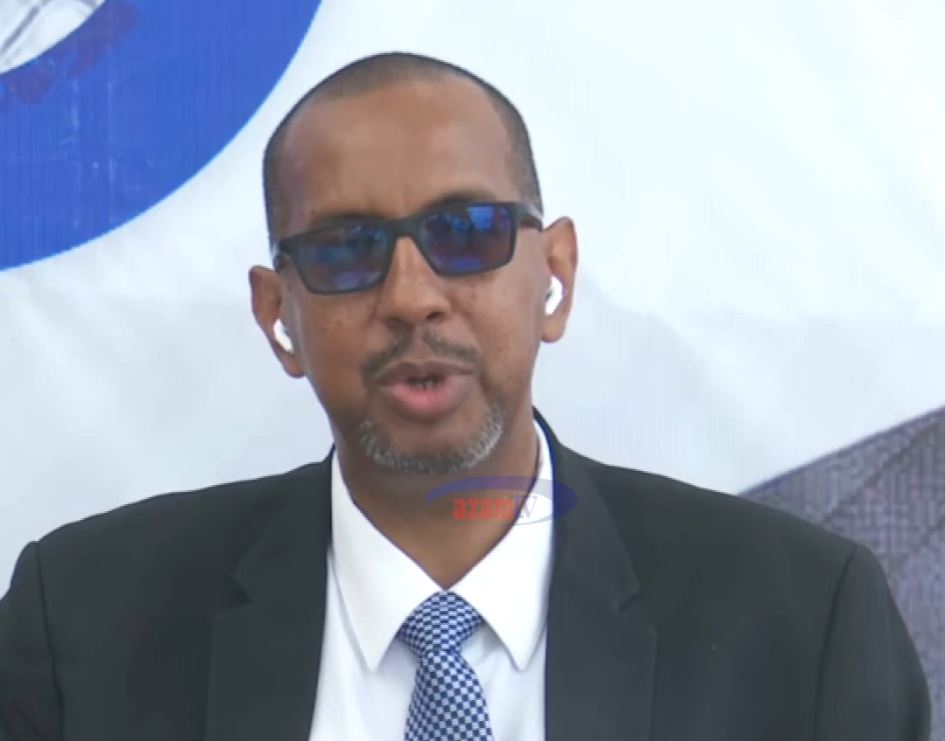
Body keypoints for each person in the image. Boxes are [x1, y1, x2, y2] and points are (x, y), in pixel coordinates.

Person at [0, 52, 930, 741]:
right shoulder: (86, 620)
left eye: (467, 231)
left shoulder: (800, 623)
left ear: (555, 276)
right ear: (277, 315)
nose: (411, 296)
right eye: (347, 249)